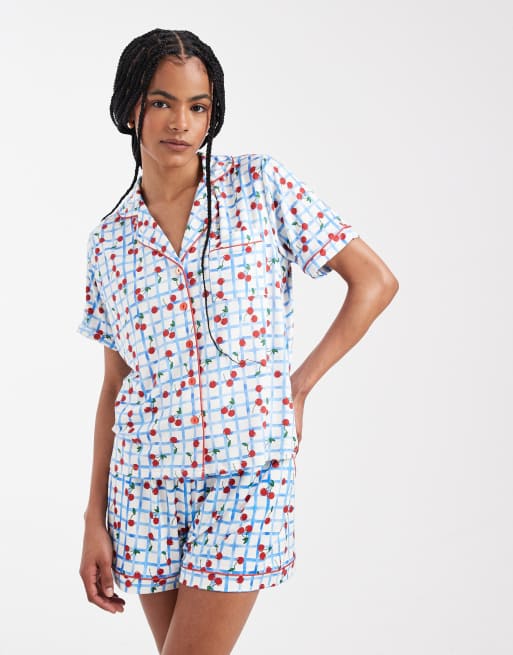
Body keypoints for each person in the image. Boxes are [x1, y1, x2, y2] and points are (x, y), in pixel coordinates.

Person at [77, 27, 399, 655]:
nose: (181, 122)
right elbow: (115, 384)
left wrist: (299, 388)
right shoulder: (109, 241)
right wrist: (95, 517)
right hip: (145, 487)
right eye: (163, 101)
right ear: (131, 108)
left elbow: (375, 282)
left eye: (198, 107)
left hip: (248, 473)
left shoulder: (258, 186)